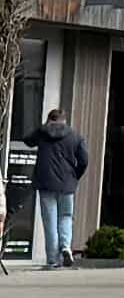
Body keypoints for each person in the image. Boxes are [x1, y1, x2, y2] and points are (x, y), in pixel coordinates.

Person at [24, 108, 89, 270]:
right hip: (67, 184)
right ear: (65, 121)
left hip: (46, 184)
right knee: (66, 217)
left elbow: (27, 140)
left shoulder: (42, 134)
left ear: (49, 120)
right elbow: (84, 160)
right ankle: (66, 247)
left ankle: (53, 260)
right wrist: (75, 176)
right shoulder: (75, 136)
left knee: (50, 222)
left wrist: (42, 127)